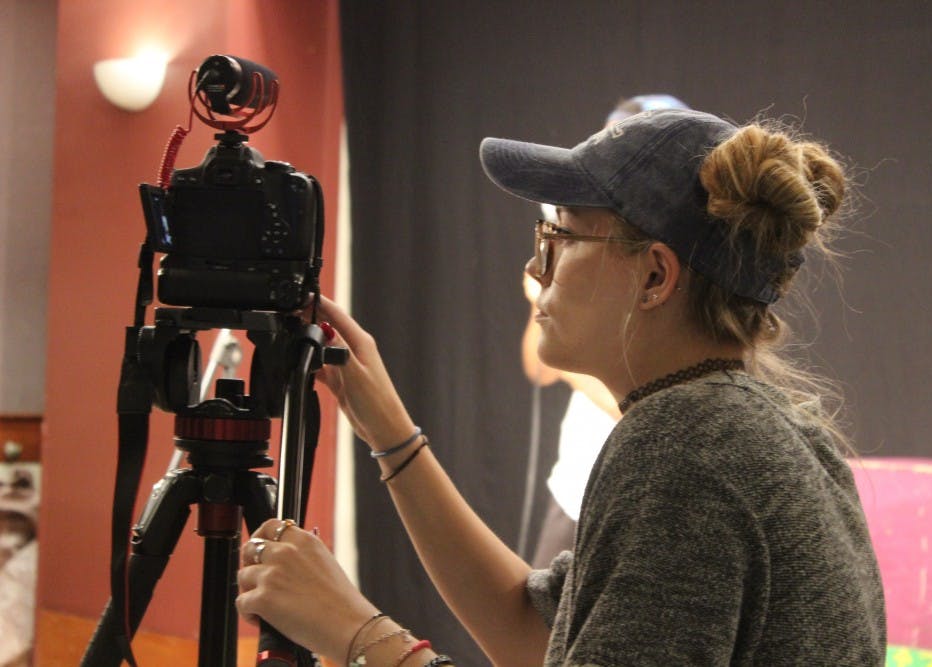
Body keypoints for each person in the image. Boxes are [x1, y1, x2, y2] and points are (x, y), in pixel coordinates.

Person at [236, 108, 887, 666]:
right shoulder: (763, 429)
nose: (533, 266)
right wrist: (389, 429)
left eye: (560, 236)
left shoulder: (682, 450)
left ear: (655, 276)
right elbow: (537, 631)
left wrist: (352, 630)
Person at [525, 94, 690, 567]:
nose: (540, 263)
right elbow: (538, 367)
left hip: (617, 494)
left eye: (570, 238)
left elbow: (640, 405)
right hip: (572, 487)